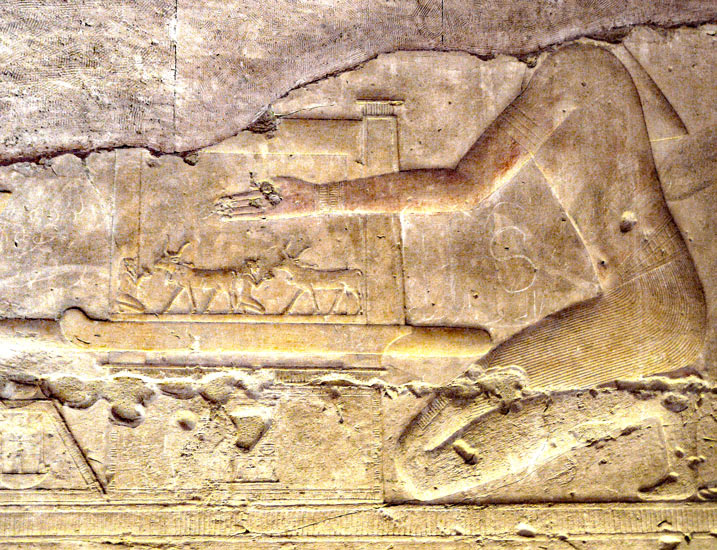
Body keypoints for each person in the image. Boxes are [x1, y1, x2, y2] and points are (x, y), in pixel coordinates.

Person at [216, 43, 707, 499]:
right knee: (443, 446)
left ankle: (640, 409)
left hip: (646, 314)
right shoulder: (593, 69)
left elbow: (464, 188)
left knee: (420, 463)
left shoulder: (575, 69)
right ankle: (647, 409)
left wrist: (322, 198)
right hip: (658, 308)